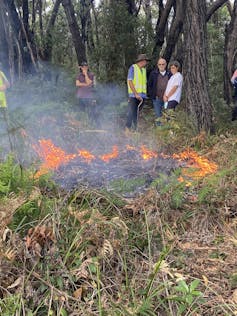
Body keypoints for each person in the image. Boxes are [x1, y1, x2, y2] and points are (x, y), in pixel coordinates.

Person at [125, 53, 150, 132]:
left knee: (136, 113)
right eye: (146, 61)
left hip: (142, 96)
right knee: (131, 112)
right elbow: (130, 81)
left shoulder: (143, 70)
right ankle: (127, 129)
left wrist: (144, 96)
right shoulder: (133, 68)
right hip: (134, 95)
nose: (146, 63)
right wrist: (135, 94)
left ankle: (134, 129)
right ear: (142, 61)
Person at [148, 58, 172, 126]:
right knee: (158, 115)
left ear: (166, 64)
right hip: (157, 98)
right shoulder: (153, 73)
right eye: (160, 64)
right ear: (157, 65)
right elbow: (149, 85)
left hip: (167, 99)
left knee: (168, 115)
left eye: (163, 64)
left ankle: (167, 131)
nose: (161, 66)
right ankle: (159, 131)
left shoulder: (169, 74)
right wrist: (152, 94)